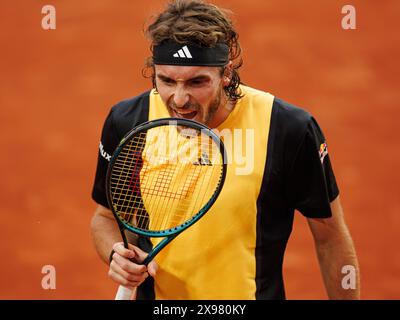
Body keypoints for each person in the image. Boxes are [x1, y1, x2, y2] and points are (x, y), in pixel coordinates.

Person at [90, 0, 360, 300]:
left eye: (197, 82)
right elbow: (105, 217)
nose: (179, 99)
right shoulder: (130, 121)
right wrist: (116, 254)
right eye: (166, 80)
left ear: (226, 74)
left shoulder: (286, 129)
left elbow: (329, 236)